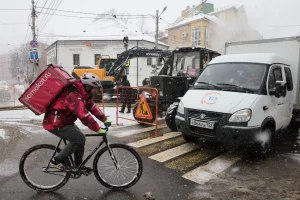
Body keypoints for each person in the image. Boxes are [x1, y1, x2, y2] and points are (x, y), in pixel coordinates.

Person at [43, 72, 112, 170]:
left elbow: (92, 107)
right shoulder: (73, 95)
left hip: (64, 120)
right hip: (55, 122)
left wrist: (104, 119)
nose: (96, 91)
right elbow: (83, 114)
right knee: (79, 139)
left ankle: (78, 166)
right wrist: (97, 128)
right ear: (88, 86)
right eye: (95, 88)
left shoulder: (82, 93)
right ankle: (56, 161)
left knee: (80, 139)